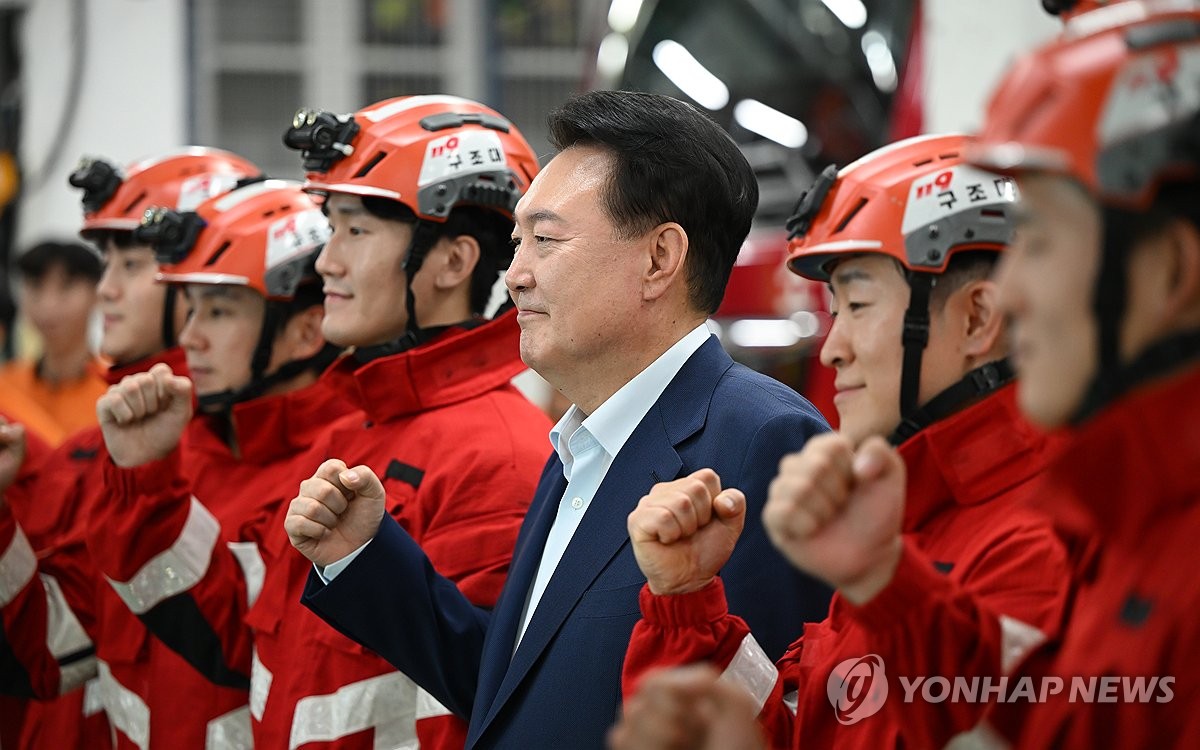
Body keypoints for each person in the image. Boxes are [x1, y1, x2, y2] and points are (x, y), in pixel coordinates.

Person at [628, 2, 1200, 748]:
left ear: (1171, 270)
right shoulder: (1079, 528)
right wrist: (692, 611)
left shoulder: (1054, 544)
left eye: (1046, 243)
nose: (1016, 294)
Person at [286, 89, 833, 749]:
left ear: (659, 259)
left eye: (546, 240)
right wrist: (366, 559)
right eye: (518, 242)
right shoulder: (583, 444)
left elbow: (772, 720)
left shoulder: (761, 441)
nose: (514, 275)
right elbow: (512, 696)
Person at [111, 95, 555, 749]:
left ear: (454, 262)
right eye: (330, 228)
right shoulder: (348, 438)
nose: (325, 263)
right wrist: (149, 478)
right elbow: (236, 647)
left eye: (355, 230)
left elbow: (490, 700)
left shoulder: (499, 456)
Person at [611, 133, 1072, 750]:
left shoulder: (1040, 549)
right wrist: (689, 607)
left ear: (977, 318)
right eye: (834, 313)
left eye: (857, 305)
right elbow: (800, 725)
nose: (832, 349)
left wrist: (885, 582)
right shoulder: (902, 525)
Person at [0, 148, 260, 750]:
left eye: (134, 263)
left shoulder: (263, 451)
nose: (106, 290)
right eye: (106, 261)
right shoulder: (90, 459)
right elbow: (50, 654)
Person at [0, 240, 107, 441]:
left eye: (66, 287)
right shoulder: (5, 386)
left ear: (97, 293)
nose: (48, 305)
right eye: (36, 286)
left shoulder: (114, 390)